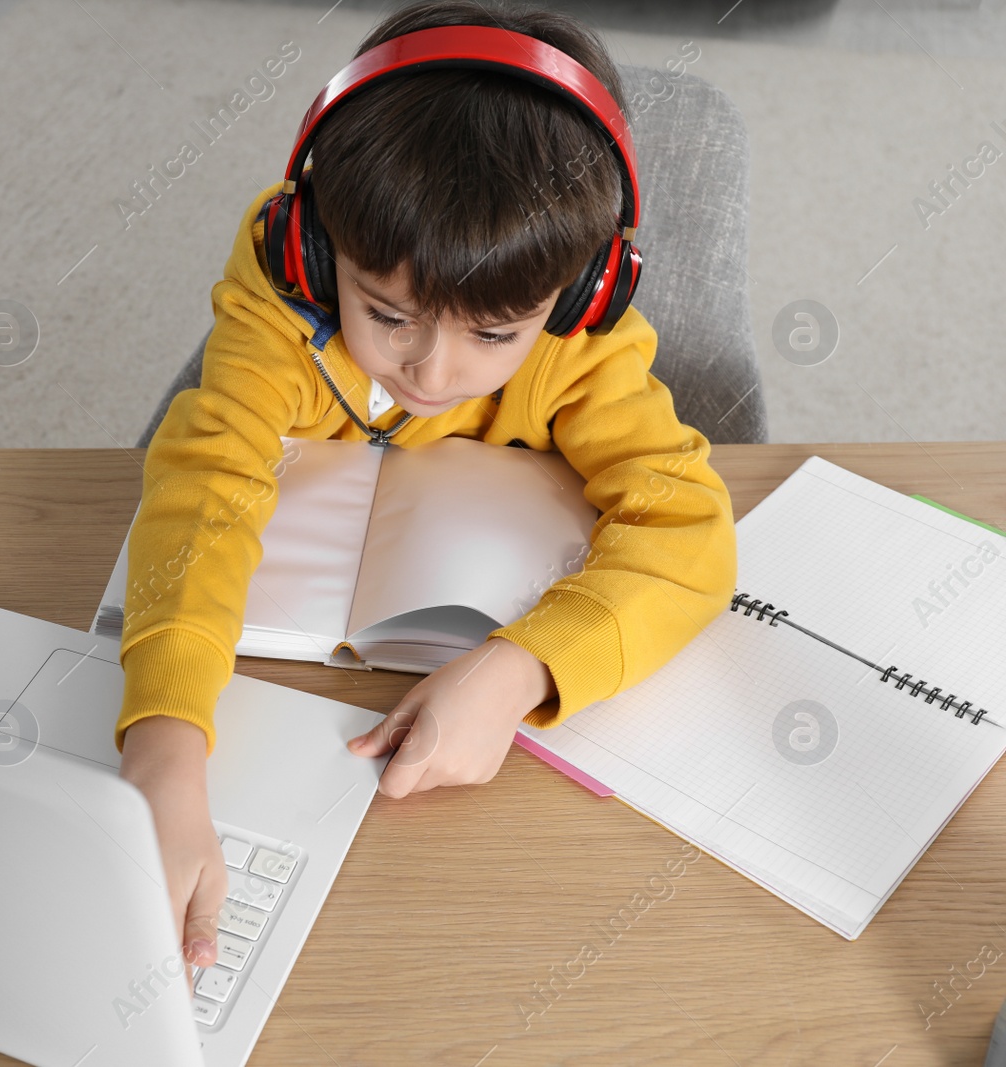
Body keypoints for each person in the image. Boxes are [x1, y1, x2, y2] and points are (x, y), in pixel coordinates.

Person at [115, 0, 739, 977]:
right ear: (313, 250)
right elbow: (205, 489)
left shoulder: (586, 346)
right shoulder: (281, 291)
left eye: (493, 334)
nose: (433, 370)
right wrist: (163, 743)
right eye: (386, 311)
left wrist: (519, 669)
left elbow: (690, 525)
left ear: (579, 296)